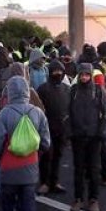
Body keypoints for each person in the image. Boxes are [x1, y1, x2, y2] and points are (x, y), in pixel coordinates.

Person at [0, 75, 51, 211]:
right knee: (28, 210)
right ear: (26, 91)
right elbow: (46, 142)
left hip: (9, 170)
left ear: (9, 92)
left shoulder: (5, 113)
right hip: (30, 169)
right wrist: (34, 154)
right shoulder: (37, 112)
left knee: (8, 209)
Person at [67, 63, 106, 211]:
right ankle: (78, 198)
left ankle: (93, 199)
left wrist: (100, 132)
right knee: (78, 169)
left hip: (94, 136)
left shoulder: (98, 90)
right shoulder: (73, 91)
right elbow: (68, 113)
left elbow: (105, 113)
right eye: (82, 74)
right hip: (77, 136)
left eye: (86, 74)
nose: (84, 77)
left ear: (90, 75)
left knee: (94, 169)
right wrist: (70, 132)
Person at [36, 59, 70, 194]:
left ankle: (55, 182)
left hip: (62, 129)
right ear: (50, 72)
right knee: (46, 157)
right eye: (55, 71)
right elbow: (37, 109)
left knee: (58, 156)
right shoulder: (43, 89)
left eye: (60, 71)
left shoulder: (67, 89)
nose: (58, 73)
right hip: (46, 128)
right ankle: (44, 182)